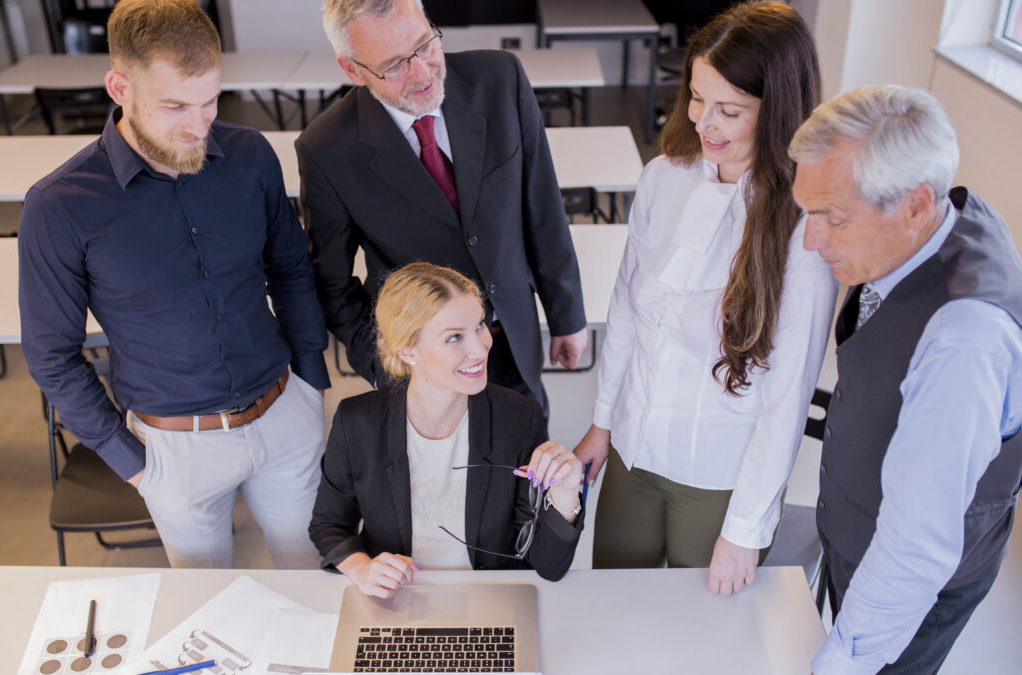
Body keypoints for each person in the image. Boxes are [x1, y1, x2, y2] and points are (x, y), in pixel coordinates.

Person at [18, 0, 330, 569]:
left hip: (285, 413)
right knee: (208, 619)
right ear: (120, 87)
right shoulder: (59, 206)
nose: (198, 124)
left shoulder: (249, 155)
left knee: (315, 587)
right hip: (173, 449)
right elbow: (50, 354)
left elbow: (290, 268)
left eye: (210, 101)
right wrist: (131, 461)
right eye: (175, 106)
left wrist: (311, 382)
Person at [572, 1, 837, 595]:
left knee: (702, 637)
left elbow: (788, 395)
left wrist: (744, 529)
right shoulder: (663, 176)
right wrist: (601, 424)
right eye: (696, 97)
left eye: (730, 110)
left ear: (778, 111)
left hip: (718, 474)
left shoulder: (802, 227)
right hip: (634, 455)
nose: (703, 122)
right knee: (616, 609)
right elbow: (625, 314)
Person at [790, 85, 1022, 674]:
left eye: (832, 219)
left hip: (910, 594)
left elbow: (915, 543)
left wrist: (843, 660)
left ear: (917, 204)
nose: (811, 240)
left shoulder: (964, 339)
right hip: (863, 532)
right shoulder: (935, 223)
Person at [295, 0, 588, 416]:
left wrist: (567, 316)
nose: (422, 73)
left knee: (527, 464)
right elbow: (332, 286)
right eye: (394, 66)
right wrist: (388, 369)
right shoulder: (325, 149)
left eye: (424, 45)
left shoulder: (500, 79)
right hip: (425, 368)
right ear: (353, 71)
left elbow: (540, 205)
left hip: (514, 339)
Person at [310, 263, 583, 595]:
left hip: (491, 600)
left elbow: (548, 567)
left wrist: (566, 495)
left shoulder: (518, 417)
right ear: (408, 350)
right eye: (455, 337)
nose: (480, 348)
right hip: (398, 599)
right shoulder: (358, 421)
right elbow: (329, 524)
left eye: (481, 325)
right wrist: (361, 568)